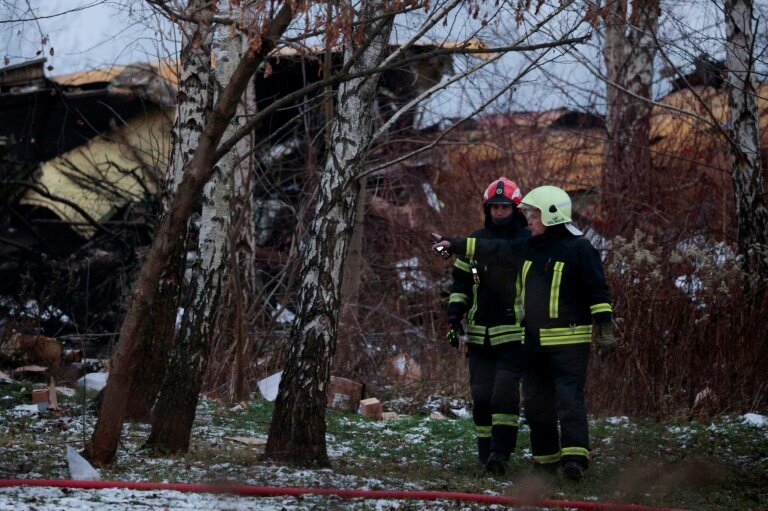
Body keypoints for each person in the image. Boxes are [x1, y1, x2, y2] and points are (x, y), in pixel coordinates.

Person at [433, 185, 616, 481]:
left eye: (534, 215)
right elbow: (489, 254)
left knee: (569, 401)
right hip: (532, 343)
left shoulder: (580, 249)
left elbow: (597, 289)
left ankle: (574, 460)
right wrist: (454, 245)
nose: (528, 220)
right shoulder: (529, 246)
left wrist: (604, 325)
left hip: (569, 343)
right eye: (528, 215)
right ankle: (545, 461)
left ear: (552, 215)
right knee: (536, 405)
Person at [445, 177, 530, 476]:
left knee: (504, 395)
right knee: (481, 397)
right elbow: (462, 284)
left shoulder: (525, 240)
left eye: (504, 207)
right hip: (480, 335)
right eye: (494, 207)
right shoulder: (475, 240)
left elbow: (498, 250)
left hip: (514, 333)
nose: (499, 213)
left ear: (515, 209)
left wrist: (459, 245)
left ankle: (501, 454)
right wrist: (454, 317)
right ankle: (485, 453)